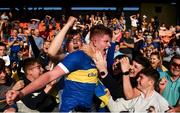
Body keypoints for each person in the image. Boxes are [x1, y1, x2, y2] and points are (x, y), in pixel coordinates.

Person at [6, 24, 112, 112]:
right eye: (106, 42)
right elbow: (50, 74)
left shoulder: (97, 59)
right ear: (94, 42)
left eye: (78, 40)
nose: (109, 45)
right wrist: (22, 93)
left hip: (90, 107)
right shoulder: (76, 57)